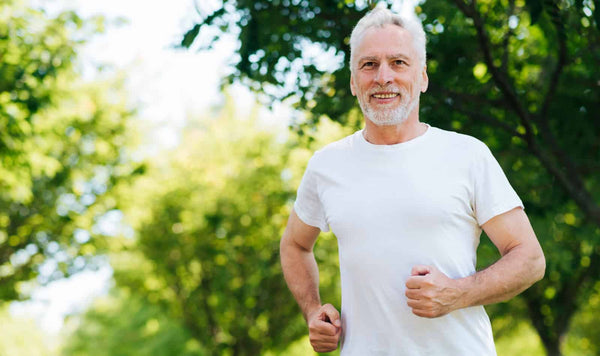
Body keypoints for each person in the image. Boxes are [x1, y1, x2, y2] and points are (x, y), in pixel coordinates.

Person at [280, 5, 546, 355]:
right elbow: (295, 245)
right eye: (369, 64)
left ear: (422, 77)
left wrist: (457, 293)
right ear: (353, 82)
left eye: (399, 63)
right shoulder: (326, 166)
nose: (383, 77)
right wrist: (313, 310)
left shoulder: (467, 155)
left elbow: (529, 259)